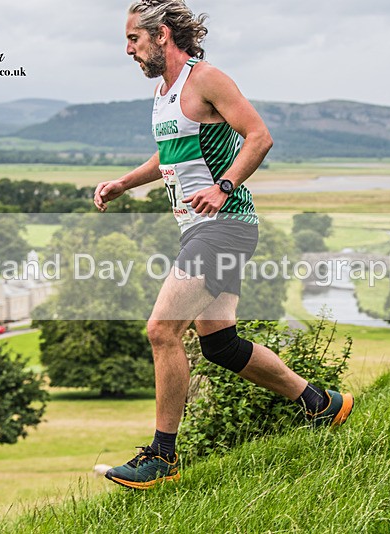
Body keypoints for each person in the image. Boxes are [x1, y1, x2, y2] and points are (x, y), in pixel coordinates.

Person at [93, 0, 353, 490]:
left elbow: (259, 136)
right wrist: (124, 183)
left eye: (133, 39)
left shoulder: (206, 79)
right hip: (199, 229)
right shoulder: (164, 92)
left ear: (162, 35)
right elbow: (168, 156)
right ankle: (322, 404)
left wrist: (223, 186)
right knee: (219, 344)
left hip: (225, 225)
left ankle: (163, 457)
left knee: (162, 330)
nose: (128, 50)